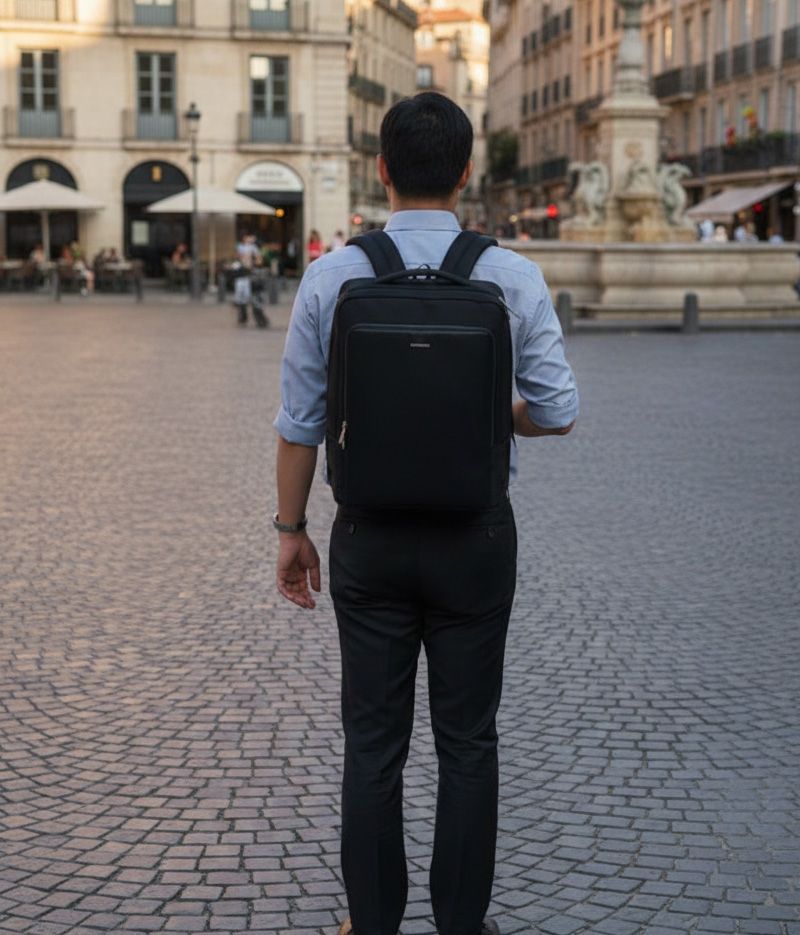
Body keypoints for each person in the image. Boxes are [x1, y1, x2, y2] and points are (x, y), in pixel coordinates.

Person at [274, 92, 578, 935]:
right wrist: (492, 418)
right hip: (474, 540)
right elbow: (557, 409)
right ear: (467, 172)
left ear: (381, 170)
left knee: (373, 744)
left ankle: (371, 923)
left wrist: (291, 531)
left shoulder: (332, 275)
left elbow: (300, 422)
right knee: (468, 741)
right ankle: (460, 924)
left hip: (369, 539)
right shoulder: (510, 274)